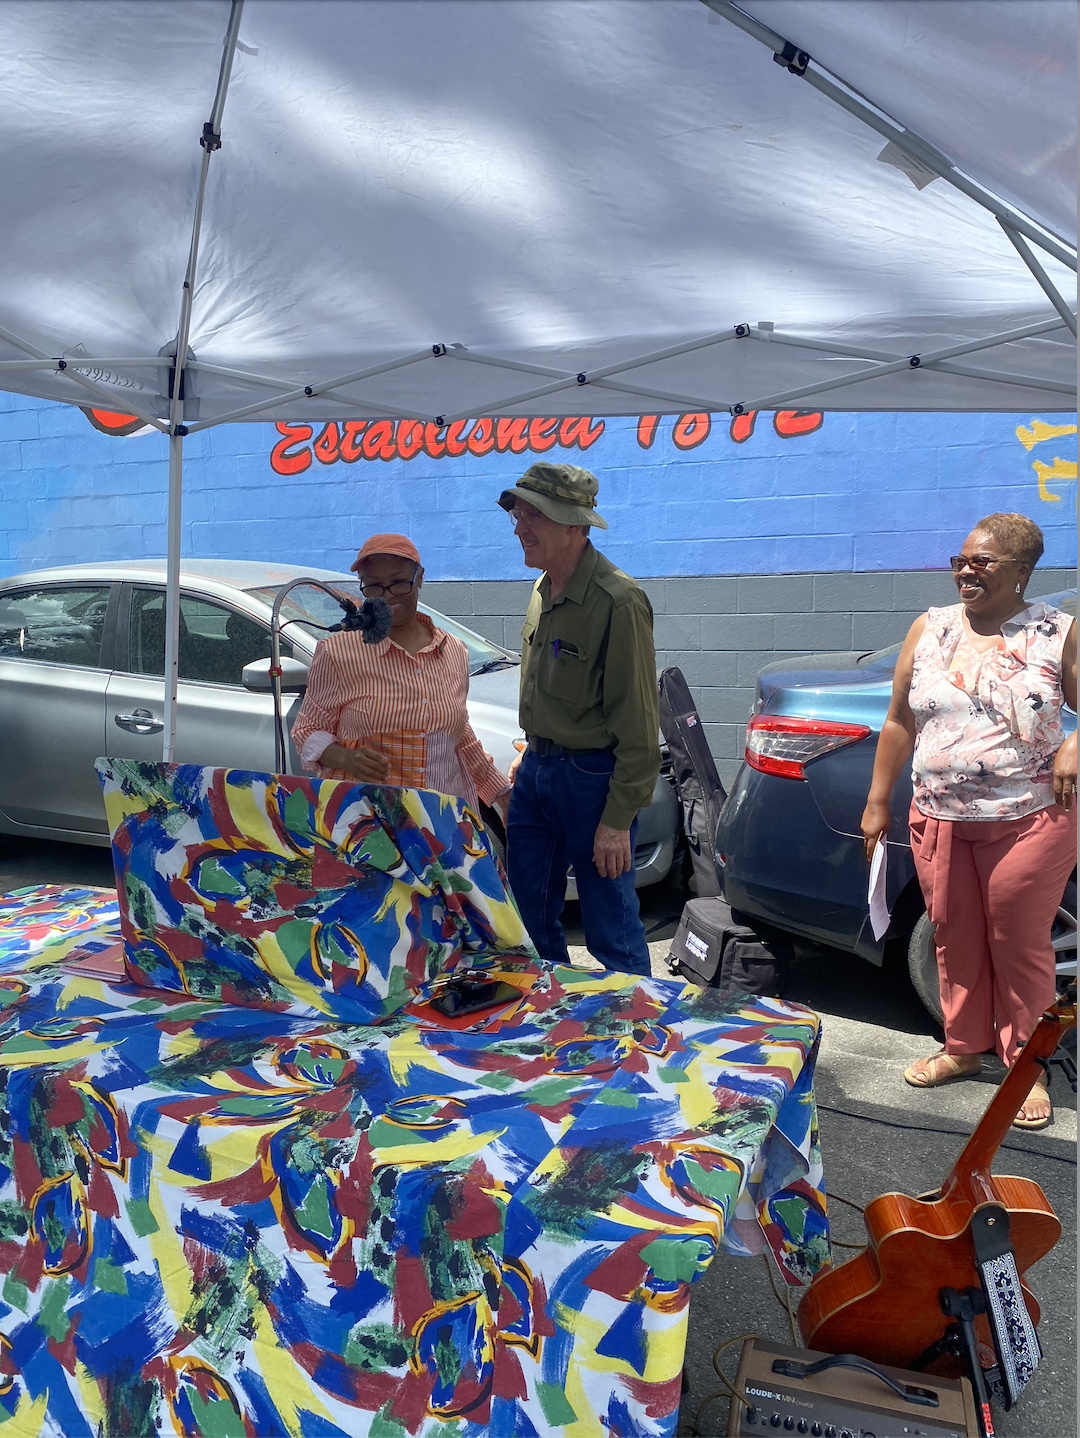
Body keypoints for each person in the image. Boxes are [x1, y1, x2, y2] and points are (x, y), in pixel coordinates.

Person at [861, 513, 1076, 1130]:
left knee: (1018, 941)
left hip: (1029, 816)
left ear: (1022, 570)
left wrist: (1074, 742)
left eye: (982, 561)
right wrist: (877, 801)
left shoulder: (1056, 632)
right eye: (961, 561)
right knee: (951, 933)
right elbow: (899, 718)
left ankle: (1026, 1066)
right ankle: (962, 1048)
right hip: (939, 814)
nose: (966, 571)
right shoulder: (930, 627)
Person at [497, 462, 660, 976]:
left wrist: (617, 821)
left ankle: (635, 1020)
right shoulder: (542, 587)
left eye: (533, 515)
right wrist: (533, 752)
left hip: (592, 781)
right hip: (536, 771)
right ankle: (551, 1012)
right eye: (518, 515)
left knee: (610, 925)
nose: (519, 528)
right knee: (528, 917)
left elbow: (639, 725)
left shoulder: (618, 600)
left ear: (573, 524)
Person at [291, 534, 510, 816]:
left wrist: (502, 795)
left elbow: (460, 736)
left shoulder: (453, 651)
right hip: (368, 822)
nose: (387, 595)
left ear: (419, 578)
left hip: (440, 821)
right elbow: (306, 730)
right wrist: (346, 758)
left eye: (398, 582)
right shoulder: (338, 653)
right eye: (374, 585)